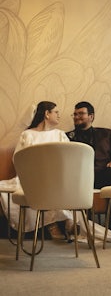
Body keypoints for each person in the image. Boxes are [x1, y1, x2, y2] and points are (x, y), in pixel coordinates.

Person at [0, 101, 75, 240]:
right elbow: (18, 158)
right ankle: (58, 223)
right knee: (27, 186)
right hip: (31, 175)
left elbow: (67, 158)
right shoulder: (27, 135)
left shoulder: (60, 135)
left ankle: (64, 223)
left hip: (55, 175)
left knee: (53, 184)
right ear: (47, 114)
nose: (59, 115)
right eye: (56, 112)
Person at [66, 101, 111, 233]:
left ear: (91, 116)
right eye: (75, 114)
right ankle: (85, 227)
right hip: (80, 177)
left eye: (81, 113)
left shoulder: (105, 133)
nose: (77, 116)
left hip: (102, 175)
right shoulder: (67, 137)